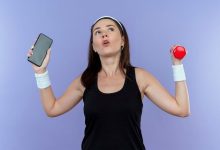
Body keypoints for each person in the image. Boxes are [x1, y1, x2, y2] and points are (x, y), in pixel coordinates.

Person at [27, 16, 190, 150]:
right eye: (98, 32)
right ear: (94, 46)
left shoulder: (140, 77)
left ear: (123, 41)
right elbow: (52, 108)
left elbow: (181, 109)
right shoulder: (85, 80)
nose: (104, 34)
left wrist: (177, 64)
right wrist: (41, 72)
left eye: (110, 29)